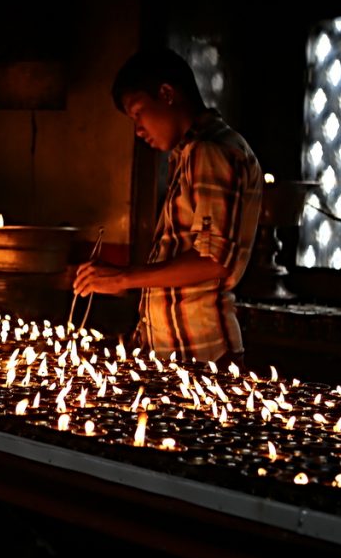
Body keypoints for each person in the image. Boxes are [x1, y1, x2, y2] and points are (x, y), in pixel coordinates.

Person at [74, 47, 264, 368]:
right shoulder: (187, 155)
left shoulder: (210, 151)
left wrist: (123, 278)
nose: (138, 130)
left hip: (202, 355)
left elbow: (213, 261)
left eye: (138, 113)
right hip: (178, 352)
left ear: (166, 94)